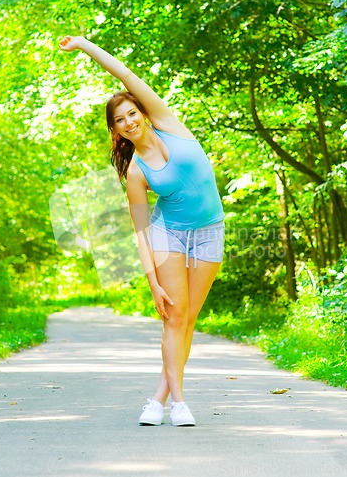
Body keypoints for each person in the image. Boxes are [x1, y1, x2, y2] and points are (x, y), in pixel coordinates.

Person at [59, 35, 225, 426]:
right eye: (120, 120)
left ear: (144, 113)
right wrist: (153, 283)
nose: (129, 121)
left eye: (132, 113)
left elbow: (126, 74)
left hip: (209, 231)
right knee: (174, 317)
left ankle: (156, 399)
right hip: (168, 235)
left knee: (190, 317)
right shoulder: (137, 171)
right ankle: (180, 404)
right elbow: (140, 232)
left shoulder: (170, 124)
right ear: (116, 130)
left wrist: (85, 45)